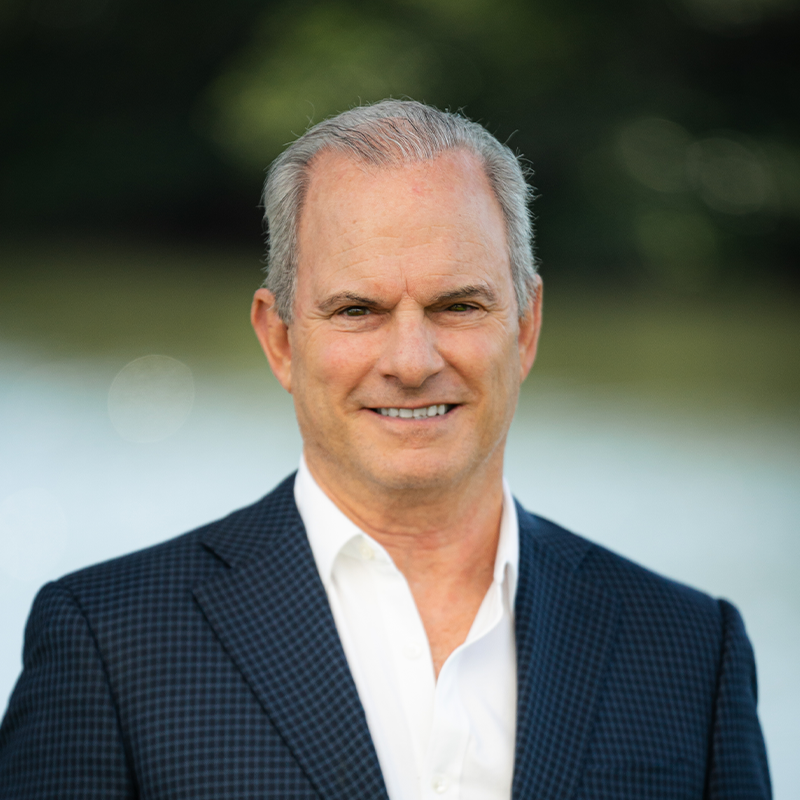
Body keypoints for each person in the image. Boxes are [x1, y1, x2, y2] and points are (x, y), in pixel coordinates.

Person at [0, 100, 770, 799]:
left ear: (526, 327)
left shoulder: (692, 653)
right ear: (280, 340)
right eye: (358, 309)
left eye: (458, 304)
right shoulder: (109, 644)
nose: (411, 360)